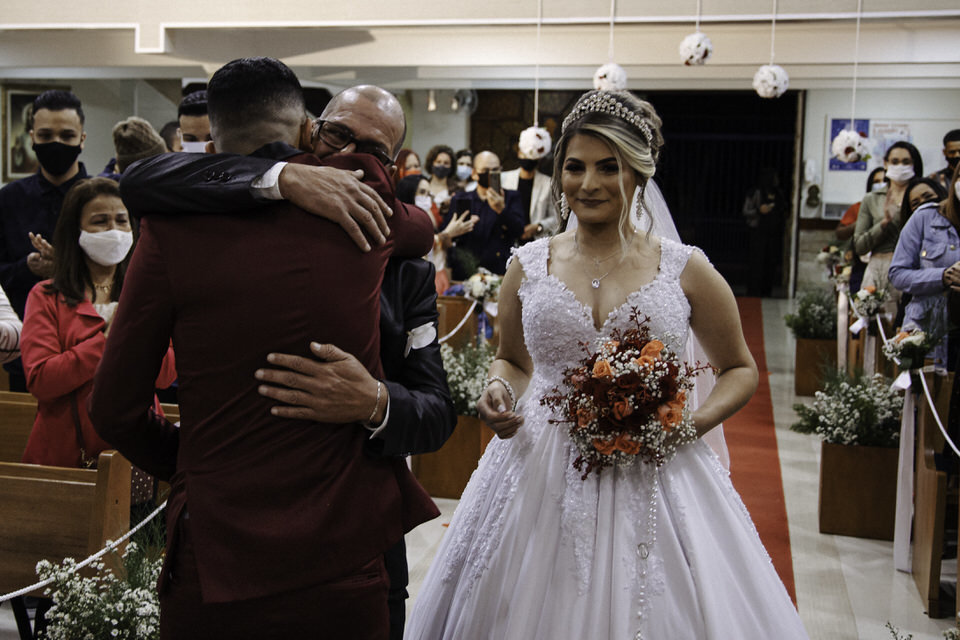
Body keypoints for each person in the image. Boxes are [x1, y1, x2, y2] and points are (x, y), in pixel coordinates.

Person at [404, 90, 808, 639]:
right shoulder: (529, 264)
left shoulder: (685, 268)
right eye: (575, 167)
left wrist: (689, 425)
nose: (588, 183)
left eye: (608, 167)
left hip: (655, 458)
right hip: (539, 461)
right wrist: (499, 389)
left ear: (639, 174)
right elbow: (511, 359)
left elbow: (739, 367)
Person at [90, 58, 439, 640]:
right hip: (336, 547)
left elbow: (113, 408)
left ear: (209, 147)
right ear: (308, 129)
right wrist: (283, 178)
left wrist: (196, 467)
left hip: (224, 548)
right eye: (337, 136)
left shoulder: (169, 227)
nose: (350, 155)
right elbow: (420, 227)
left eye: (371, 150)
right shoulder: (368, 204)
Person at [20, 177, 176, 468]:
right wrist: (107, 341)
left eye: (121, 220)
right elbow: (42, 380)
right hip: (65, 456)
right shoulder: (46, 296)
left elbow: (165, 375)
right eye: (100, 221)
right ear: (76, 230)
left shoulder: (147, 294)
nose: (113, 231)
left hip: (137, 456)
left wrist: (140, 331)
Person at [0, 90, 88, 392]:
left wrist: (66, 268)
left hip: (90, 346)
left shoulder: (102, 199)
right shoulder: (8, 200)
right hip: (24, 352)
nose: (56, 143)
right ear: (32, 138)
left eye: (67, 135)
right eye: (46, 135)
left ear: (82, 139)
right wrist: (27, 267)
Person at [889, 171, 956, 372]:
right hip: (931, 328)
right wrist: (942, 276)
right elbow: (898, 274)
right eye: (915, 202)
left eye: (927, 196)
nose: (923, 203)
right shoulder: (923, 218)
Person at [853, 141, 923, 303]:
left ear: (914, 164)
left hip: (914, 269)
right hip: (879, 268)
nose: (900, 167)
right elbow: (860, 246)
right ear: (885, 163)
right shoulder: (872, 199)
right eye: (895, 161)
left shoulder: (921, 197)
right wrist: (884, 223)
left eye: (906, 162)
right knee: (875, 316)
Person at [446, 150, 525, 280]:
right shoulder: (461, 199)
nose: (490, 174)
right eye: (485, 170)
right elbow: (449, 236)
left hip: (500, 271)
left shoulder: (511, 197)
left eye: (495, 170)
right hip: (467, 271)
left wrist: (502, 210)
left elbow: (519, 230)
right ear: (474, 173)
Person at [501, 125, 559, 242]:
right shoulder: (504, 178)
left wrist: (539, 226)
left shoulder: (548, 184)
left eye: (532, 156)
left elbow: (556, 217)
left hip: (535, 240)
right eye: (525, 154)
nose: (528, 158)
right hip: (507, 239)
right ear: (519, 153)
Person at [742, 167, 786, 296]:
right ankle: (753, 290)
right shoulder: (756, 192)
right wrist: (759, 211)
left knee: (770, 262)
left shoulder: (778, 193)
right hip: (758, 231)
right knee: (757, 261)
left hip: (773, 233)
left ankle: (767, 290)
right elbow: (746, 210)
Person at [423, 144, 458, 224]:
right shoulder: (421, 187)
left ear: (451, 166)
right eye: (438, 162)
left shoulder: (457, 190)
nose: (442, 165)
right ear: (432, 163)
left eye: (446, 163)